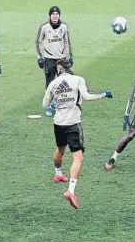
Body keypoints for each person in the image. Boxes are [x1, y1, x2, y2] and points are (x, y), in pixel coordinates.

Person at [42, 60, 112, 209]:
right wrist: (104, 94)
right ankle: (70, 191)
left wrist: (56, 103)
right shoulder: (78, 79)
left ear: (59, 69)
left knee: (60, 149)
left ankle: (58, 174)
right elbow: (86, 96)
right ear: (70, 67)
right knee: (78, 158)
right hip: (73, 123)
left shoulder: (53, 83)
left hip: (58, 123)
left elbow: (44, 104)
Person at [36, 5, 73, 116]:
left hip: (61, 59)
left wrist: (69, 56)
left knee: (64, 83)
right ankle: (49, 106)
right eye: (53, 14)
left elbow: (67, 42)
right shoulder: (44, 28)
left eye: (57, 14)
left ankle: (61, 105)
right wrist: (39, 57)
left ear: (59, 15)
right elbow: (38, 42)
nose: (55, 16)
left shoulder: (64, 27)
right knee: (50, 84)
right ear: (50, 15)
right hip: (49, 59)